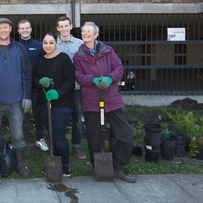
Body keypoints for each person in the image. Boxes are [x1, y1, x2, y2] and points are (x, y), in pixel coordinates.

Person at [73, 21, 136, 183]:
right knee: (94, 137)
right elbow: (78, 76)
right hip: (92, 101)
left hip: (112, 99)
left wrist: (109, 78)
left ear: (96, 34)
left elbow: (119, 69)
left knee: (125, 134)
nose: (85, 34)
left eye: (88, 31)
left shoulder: (108, 51)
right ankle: (98, 167)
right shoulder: (78, 56)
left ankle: (118, 167)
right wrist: (93, 79)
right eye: (83, 31)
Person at [0, 17, 32, 177]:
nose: (3, 30)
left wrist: (27, 96)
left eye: (6, 28)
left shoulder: (20, 49)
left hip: (16, 100)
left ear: (10, 30)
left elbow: (26, 73)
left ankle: (20, 165)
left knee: (18, 134)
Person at [32, 33, 75, 177]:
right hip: (44, 104)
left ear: (56, 43)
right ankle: (54, 162)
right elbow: (34, 78)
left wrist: (58, 93)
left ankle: (65, 164)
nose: (48, 45)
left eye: (51, 42)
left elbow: (70, 80)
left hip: (62, 103)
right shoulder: (39, 61)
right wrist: (40, 82)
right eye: (45, 43)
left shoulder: (63, 59)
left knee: (58, 135)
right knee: (50, 134)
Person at [55, 16, 86, 159]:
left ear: (71, 26)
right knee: (59, 119)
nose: (64, 29)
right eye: (61, 26)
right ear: (57, 28)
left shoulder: (80, 44)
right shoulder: (54, 44)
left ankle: (76, 146)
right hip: (60, 90)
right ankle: (58, 145)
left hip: (76, 89)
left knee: (77, 119)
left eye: (66, 25)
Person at [17, 19, 48, 152]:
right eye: (22, 28)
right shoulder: (15, 46)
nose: (24, 30)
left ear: (30, 29)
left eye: (27, 28)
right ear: (18, 31)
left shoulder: (39, 45)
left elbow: (43, 63)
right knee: (18, 115)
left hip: (36, 86)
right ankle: (18, 140)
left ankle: (40, 138)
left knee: (38, 114)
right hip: (19, 87)